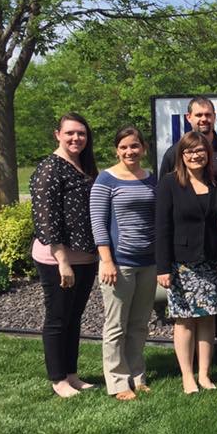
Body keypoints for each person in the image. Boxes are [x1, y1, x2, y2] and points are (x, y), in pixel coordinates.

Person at [29, 112, 99, 398]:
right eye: (70, 133)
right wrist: (62, 261)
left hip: (85, 257)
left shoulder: (83, 166)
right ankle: (57, 379)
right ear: (57, 134)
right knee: (58, 318)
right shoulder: (49, 168)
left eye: (81, 134)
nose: (76, 138)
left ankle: (72, 374)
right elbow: (46, 219)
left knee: (74, 317)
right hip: (57, 259)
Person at [89, 126, 158, 401]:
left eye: (134, 146)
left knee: (140, 323)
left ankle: (137, 375)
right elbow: (98, 223)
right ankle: (118, 381)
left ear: (143, 148)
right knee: (116, 324)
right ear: (116, 150)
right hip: (119, 263)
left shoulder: (151, 178)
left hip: (149, 262)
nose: (130, 151)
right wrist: (106, 260)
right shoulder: (106, 180)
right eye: (124, 147)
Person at [155, 131, 217, 394]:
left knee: (208, 319)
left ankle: (204, 374)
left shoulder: (216, 183)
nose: (195, 156)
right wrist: (162, 267)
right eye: (189, 151)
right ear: (181, 156)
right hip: (181, 264)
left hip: (210, 263)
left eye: (200, 151)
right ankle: (187, 375)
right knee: (184, 321)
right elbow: (161, 227)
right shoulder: (169, 184)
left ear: (208, 154)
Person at [159, 96, 217, 180]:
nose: (204, 119)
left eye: (208, 115)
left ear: (214, 116)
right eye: (199, 115)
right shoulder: (174, 153)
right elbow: (164, 188)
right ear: (189, 117)